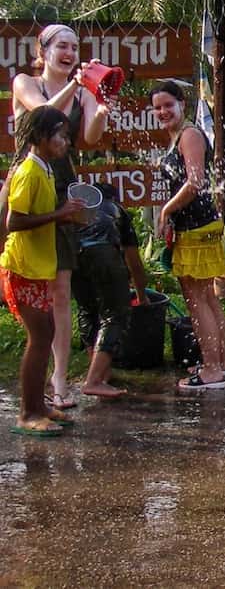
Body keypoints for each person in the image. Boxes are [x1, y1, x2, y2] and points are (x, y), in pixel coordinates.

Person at [3, 24, 111, 409]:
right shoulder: (24, 83)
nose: (69, 52)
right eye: (62, 46)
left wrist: (99, 108)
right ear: (43, 51)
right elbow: (44, 115)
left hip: (64, 191)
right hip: (27, 189)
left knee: (61, 293)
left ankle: (61, 380)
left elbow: (89, 140)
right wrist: (77, 85)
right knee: (24, 285)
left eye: (74, 47)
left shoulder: (80, 90)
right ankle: (35, 383)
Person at [2, 106, 86, 436]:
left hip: (38, 268)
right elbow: (14, 220)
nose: (65, 142)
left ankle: (39, 405)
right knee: (39, 338)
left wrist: (65, 215)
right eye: (60, 136)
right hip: (21, 268)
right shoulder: (28, 172)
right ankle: (27, 412)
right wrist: (59, 214)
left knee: (46, 333)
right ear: (40, 137)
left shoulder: (47, 168)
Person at [151, 81, 225, 390]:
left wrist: (166, 211)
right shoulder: (176, 137)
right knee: (205, 296)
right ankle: (220, 361)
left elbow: (195, 182)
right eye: (157, 107)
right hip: (195, 225)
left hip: (196, 226)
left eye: (168, 105)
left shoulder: (190, 135)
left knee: (196, 298)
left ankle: (211, 369)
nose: (163, 112)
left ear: (182, 103)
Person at [71, 183, 148, 398]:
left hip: (73, 255)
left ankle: (99, 371)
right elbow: (135, 263)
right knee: (116, 313)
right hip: (103, 253)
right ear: (114, 198)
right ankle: (94, 380)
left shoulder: (80, 208)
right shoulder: (117, 210)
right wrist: (142, 296)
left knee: (87, 309)